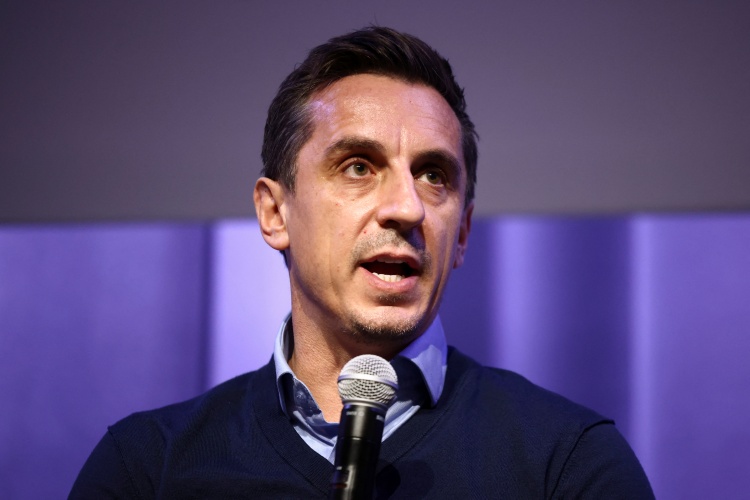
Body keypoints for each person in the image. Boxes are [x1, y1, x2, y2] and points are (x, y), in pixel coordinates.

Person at [70, 27, 653, 498]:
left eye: (433, 176)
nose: (407, 207)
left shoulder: (568, 462)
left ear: (463, 233)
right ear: (274, 213)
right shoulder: (147, 467)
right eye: (358, 167)